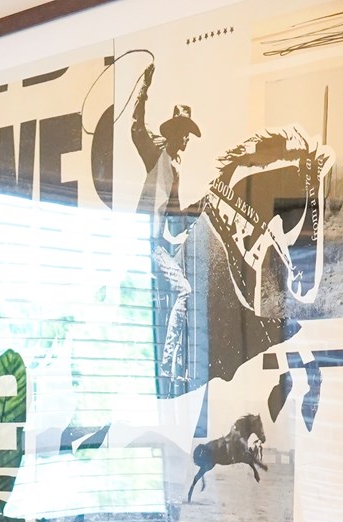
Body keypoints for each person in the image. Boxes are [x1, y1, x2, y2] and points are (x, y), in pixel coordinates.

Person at [132, 64, 201, 390]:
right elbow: (136, 128)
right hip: (148, 243)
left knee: (187, 290)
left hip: (159, 242)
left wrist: (198, 210)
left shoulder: (176, 169)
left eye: (189, 132)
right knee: (184, 291)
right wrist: (144, 89)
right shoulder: (156, 155)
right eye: (183, 131)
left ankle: (174, 368)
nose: (187, 137)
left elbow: (173, 213)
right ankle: (166, 364)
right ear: (173, 133)